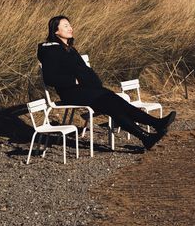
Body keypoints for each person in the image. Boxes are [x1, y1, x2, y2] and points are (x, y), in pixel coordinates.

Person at [37, 15, 176, 150]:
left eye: (70, 25)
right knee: (112, 104)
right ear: (56, 31)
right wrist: (75, 80)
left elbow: (83, 70)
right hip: (72, 92)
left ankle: (151, 130)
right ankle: (150, 131)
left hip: (87, 90)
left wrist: (91, 80)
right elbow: (50, 78)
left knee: (117, 103)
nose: (70, 28)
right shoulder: (50, 51)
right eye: (65, 26)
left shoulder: (69, 48)